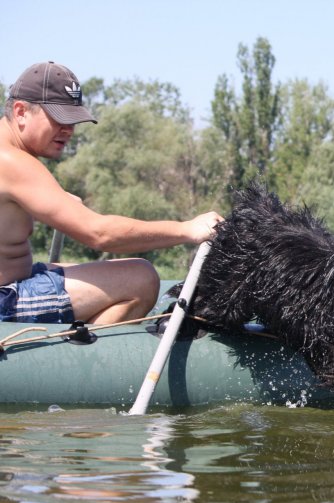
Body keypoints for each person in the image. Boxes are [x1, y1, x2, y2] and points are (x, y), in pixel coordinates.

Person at [0, 61, 223, 325]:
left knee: (90, 269)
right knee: (139, 277)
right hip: (4, 298)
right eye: (59, 118)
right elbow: (99, 234)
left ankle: (83, 337)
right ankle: (87, 351)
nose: (69, 130)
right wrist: (186, 230)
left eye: (73, 121)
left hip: (14, 281)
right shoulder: (12, 161)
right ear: (21, 112)